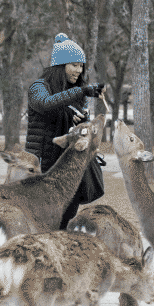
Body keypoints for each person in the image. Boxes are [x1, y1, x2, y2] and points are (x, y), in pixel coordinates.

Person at [25, 33, 105, 229]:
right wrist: (82, 91)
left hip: (67, 168)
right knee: (43, 223)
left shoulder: (75, 91)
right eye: (74, 65)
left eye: (81, 66)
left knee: (66, 220)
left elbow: (73, 125)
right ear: (60, 66)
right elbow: (46, 105)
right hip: (42, 168)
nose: (79, 70)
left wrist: (81, 120)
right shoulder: (39, 87)